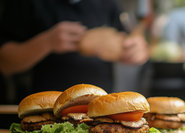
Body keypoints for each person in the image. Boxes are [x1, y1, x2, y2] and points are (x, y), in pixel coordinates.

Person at [0, 0, 148, 94]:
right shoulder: (26, 4)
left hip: (100, 107)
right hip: (47, 110)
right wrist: (47, 42)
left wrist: (136, 51)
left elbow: (133, 46)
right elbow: (5, 63)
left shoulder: (107, 4)